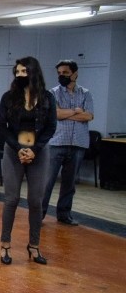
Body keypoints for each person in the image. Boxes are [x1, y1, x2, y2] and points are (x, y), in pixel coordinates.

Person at [0, 57, 57, 266]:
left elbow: (51, 127)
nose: (20, 75)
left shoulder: (48, 98)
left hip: (38, 152)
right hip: (14, 151)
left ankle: (34, 245)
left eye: (24, 72)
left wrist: (34, 150)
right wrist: (19, 148)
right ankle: (5, 244)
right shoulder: (8, 97)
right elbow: (1, 127)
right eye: (17, 72)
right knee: (11, 199)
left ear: (33, 73)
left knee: (35, 201)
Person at [41, 60, 94, 226]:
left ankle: (64, 214)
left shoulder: (85, 93)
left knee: (69, 183)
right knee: (47, 181)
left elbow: (89, 116)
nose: (61, 76)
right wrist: (76, 111)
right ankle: (39, 215)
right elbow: (55, 114)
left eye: (65, 73)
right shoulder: (53, 93)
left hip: (78, 143)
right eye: (59, 73)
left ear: (75, 73)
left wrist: (67, 114)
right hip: (57, 142)